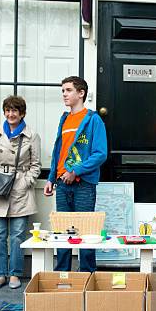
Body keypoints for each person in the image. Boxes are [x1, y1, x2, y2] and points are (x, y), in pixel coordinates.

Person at [44, 76, 107, 272]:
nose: (64, 94)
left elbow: (100, 154)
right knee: (62, 233)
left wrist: (75, 171)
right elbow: (58, 152)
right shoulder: (64, 119)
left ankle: (87, 276)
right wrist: (51, 177)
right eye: (63, 90)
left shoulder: (93, 120)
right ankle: (62, 276)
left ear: (81, 93)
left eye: (68, 90)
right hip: (62, 184)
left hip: (84, 185)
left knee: (86, 233)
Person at [0, 96, 41, 290]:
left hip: (21, 191)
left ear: (22, 113)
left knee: (17, 235)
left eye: (15, 111)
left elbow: (36, 165)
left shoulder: (32, 136)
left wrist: (25, 182)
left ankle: (15, 274)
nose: (11, 114)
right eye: (8, 110)